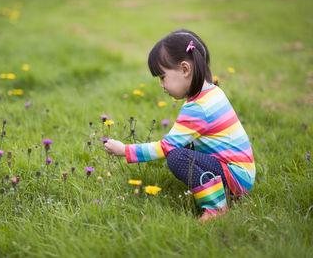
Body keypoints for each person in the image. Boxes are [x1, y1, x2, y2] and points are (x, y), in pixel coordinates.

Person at [104, 29, 255, 222]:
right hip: (242, 172)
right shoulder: (211, 92)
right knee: (182, 146)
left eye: (162, 77)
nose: (161, 85)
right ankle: (218, 190)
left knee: (176, 157)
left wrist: (125, 150)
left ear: (185, 69)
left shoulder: (198, 107)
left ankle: (216, 208)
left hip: (236, 177)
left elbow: (166, 147)